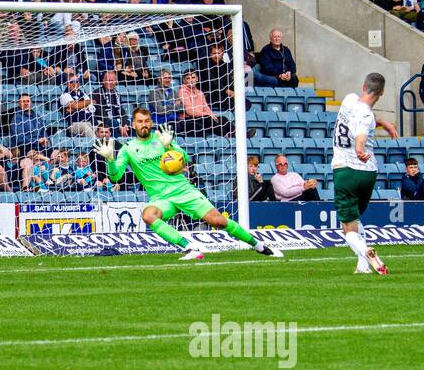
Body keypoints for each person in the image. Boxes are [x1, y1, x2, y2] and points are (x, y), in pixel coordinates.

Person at [95, 107, 283, 261]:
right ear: (133, 124)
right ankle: (190, 247)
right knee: (148, 215)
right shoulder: (128, 149)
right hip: (161, 198)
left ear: (151, 122)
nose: (143, 125)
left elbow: (184, 158)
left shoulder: (162, 138)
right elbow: (115, 177)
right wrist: (110, 159)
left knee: (218, 221)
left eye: (146, 121)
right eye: (140, 121)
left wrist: (169, 145)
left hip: (183, 190)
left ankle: (260, 246)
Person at [330, 73, 400, 275]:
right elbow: (364, 122)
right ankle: (362, 266)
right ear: (382, 93)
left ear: (363, 85)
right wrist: (384, 123)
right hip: (368, 174)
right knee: (356, 217)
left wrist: (359, 149)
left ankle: (365, 251)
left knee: (348, 226)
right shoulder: (367, 116)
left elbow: (360, 133)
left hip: (345, 170)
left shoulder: (349, 100)